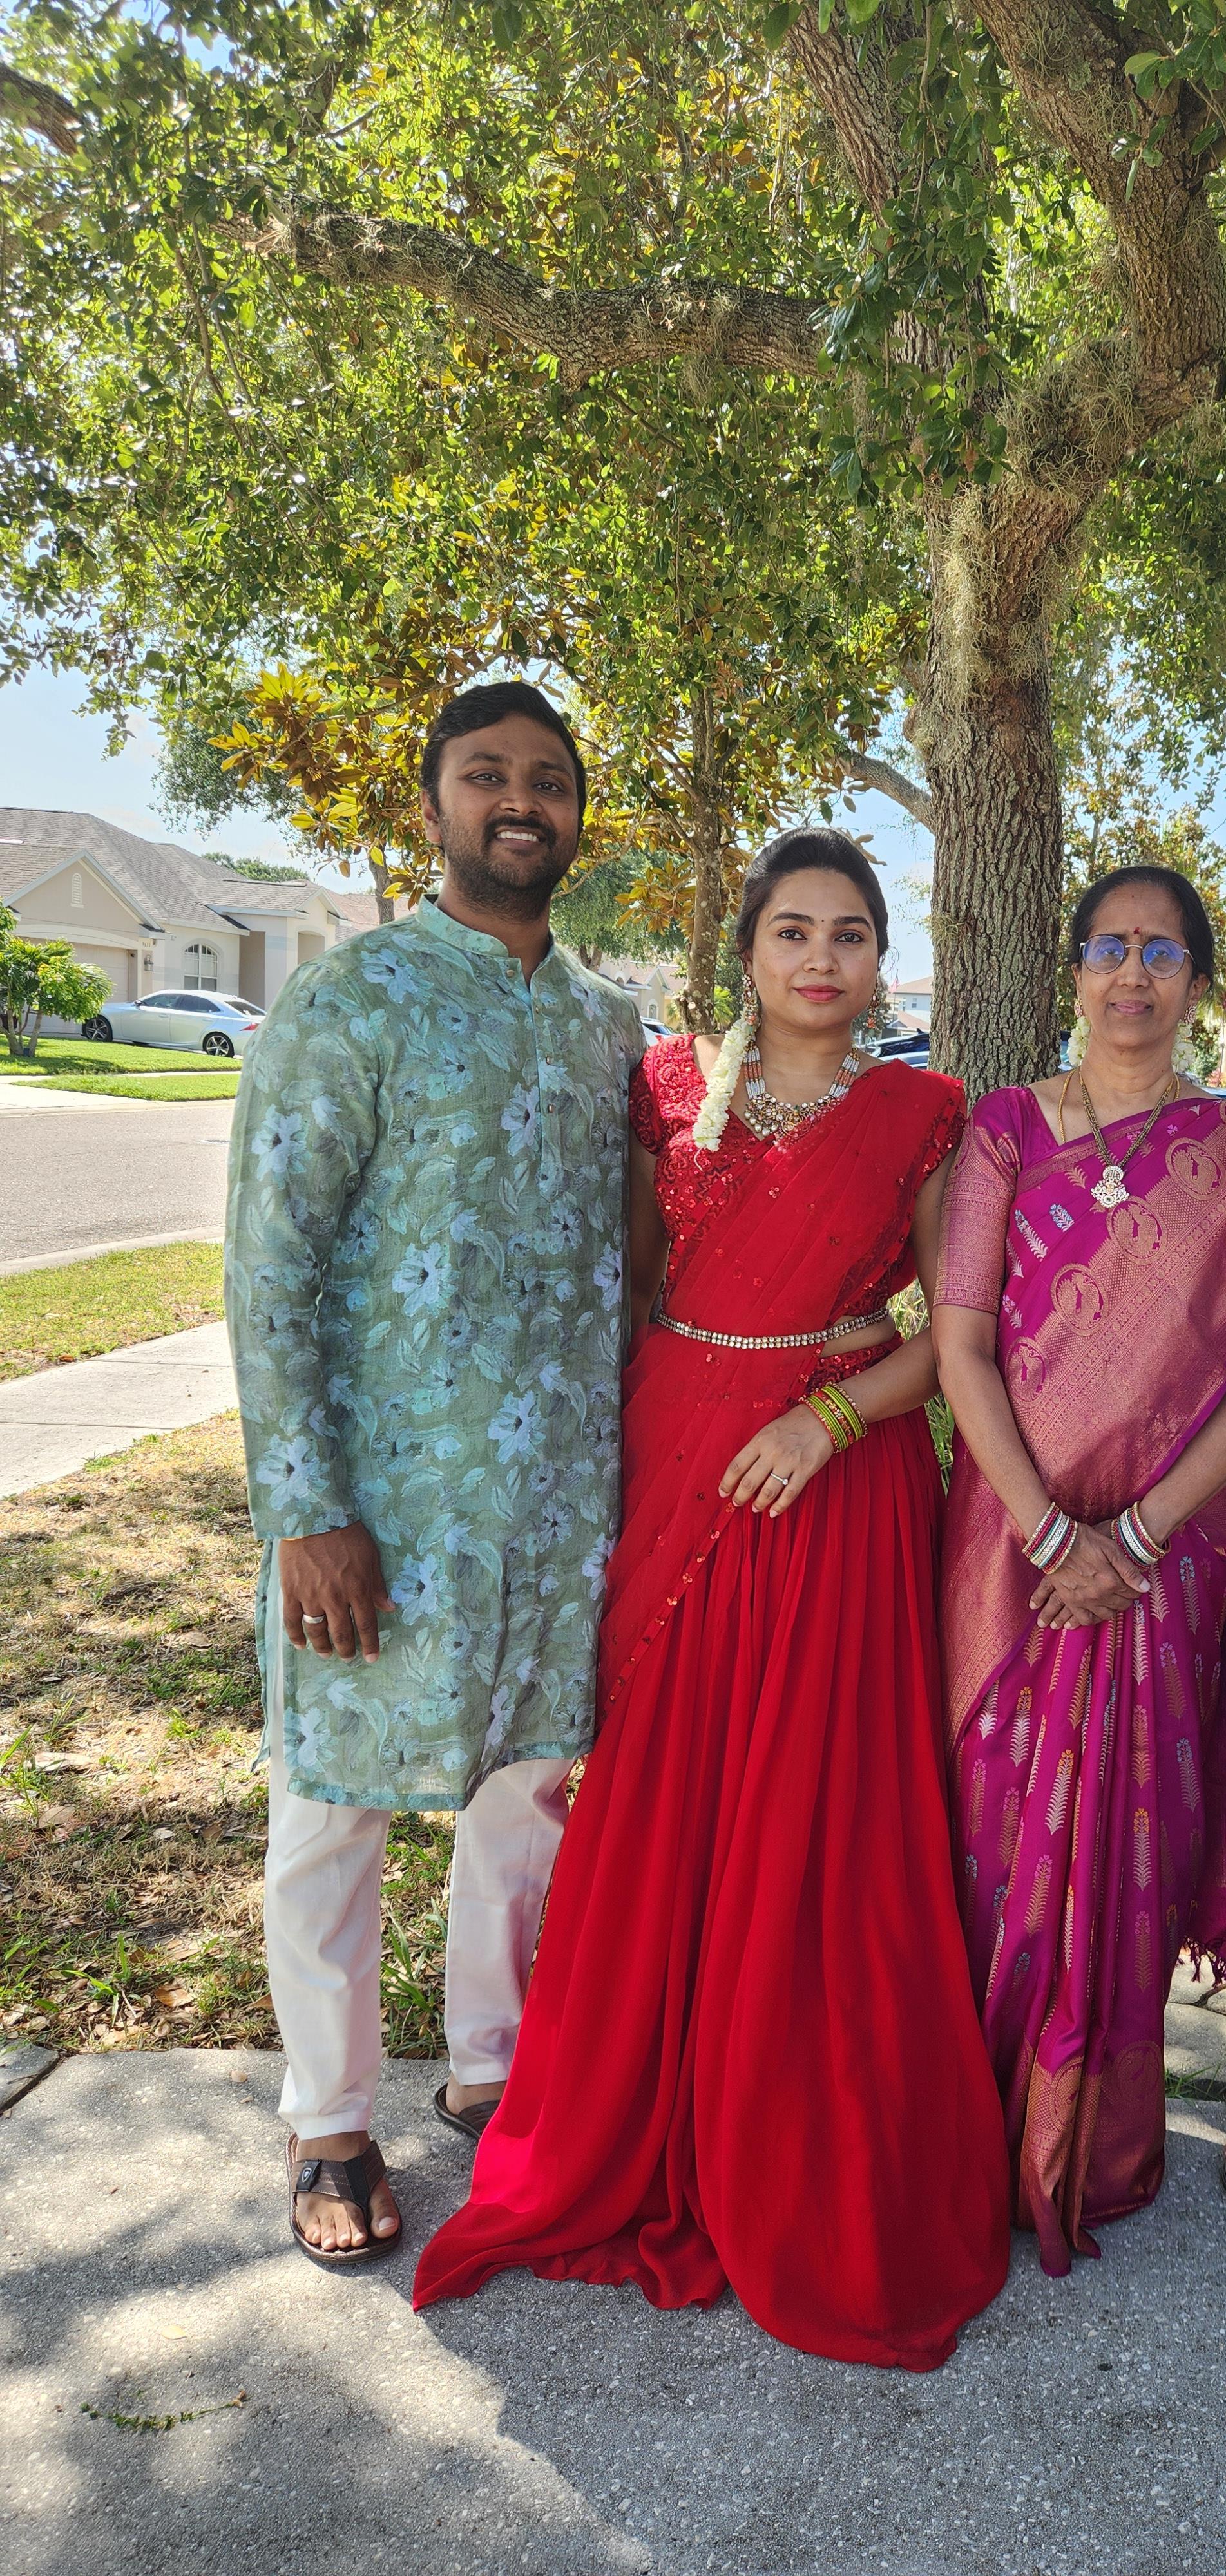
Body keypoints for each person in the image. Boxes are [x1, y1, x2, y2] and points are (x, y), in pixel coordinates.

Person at [414, 828, 1011, 2369]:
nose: (823, 958)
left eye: (854, 933)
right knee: (658, 1787)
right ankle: (635, 2096)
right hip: (674, 1451)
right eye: (794, 929)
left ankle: (781, 2116)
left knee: (807, 1805)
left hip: (833, 1475)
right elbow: (625, 1282)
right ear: (746, 949)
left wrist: (828, 1419)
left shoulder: (927, 1113)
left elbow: (952, 1337)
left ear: (885, 960)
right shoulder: (672, 1086)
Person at [225, 681, 642, 2266]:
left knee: (523, 1791)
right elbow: (272, 1261)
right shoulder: (356, 1000)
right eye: (487, 776)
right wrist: (306, 1509)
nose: (519, 801)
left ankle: (491, 2063)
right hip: (381, 1504)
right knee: (335, 1804)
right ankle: (329, 2116)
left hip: (552, 1508)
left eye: (547, 779)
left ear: (577, 814)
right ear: (435, 806)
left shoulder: (611, 1026)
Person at [931, 865, 1226, 2274]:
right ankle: (964, 2126)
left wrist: (1144, 1530)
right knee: (985, 1836)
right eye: (1109, 947)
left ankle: (1095, 2134)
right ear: (1072, 968)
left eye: (1163, 952)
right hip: (1009, 1547)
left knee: (1121, 1837)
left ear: (1200, 979)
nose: (1133, 975)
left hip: (1161, 1563)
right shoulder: (1002, 1131)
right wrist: (1054, 1532)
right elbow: (965, 1339)